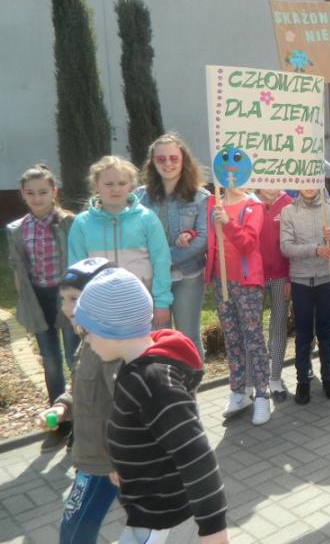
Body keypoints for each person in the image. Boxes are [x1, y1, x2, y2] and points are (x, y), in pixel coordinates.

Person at [73, 268, 228, 543]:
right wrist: (123, 465)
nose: (86, 339)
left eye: (88, 331)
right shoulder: (133, 368)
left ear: (114, 329)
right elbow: (139, 430)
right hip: (148, 513)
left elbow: (197, 458)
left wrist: (214, 532)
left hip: (166, 521)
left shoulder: (153, 382)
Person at [38, 258, 116, 543]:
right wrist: (63, 407)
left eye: (74, 299)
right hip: (88, 459)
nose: (64, 307)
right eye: (63, 299)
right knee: (72, 529)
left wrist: (121, 463)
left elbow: (131, 410)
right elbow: (82, 391)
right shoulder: (87, 342)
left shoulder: (111, 352)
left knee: (74, 534)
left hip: (105, 465)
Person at [7, 164, 78, 450]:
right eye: (31, 193)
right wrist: (24, 298)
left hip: (67, 299)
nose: (37, 198)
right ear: (23, 194)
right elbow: (17, 267)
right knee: (50, 361)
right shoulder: (17, 229)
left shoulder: (69, 222)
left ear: (54, 192)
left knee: (74, 358)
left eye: (43, 192)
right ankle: (58, 423)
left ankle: (81, 419)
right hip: (38, 300)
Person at [68, 156, 173, 326]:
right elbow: (76, 267)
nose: (115, 189)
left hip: (141, 303)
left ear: (131, 185)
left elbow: (161, 261)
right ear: (96, 185)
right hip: (99, 307)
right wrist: (78, 305)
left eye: (122, 183)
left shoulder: (147, 219)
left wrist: (161, 302)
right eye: (108, 184)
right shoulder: (82, 223)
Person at [135, 133, 209, 359]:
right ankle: (164, 380)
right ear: (152, 162)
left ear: (183, 160)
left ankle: (192, 381)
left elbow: (202, 239)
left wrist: (164, 258)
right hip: (151, 279)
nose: (168, 164)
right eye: (161, 159)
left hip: (187, 276)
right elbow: (133, 237)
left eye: (174, 158)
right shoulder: (139, 198)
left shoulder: (200, 197)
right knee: (157, 338)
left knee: (189, 337)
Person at [206, 186, 271, 425]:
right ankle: (239, 392)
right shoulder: (211, 203)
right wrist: (190, 235)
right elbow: (206, 236)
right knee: (232, 339)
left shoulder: (253, 205)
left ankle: (262, 394)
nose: (233, 174)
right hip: (221, 282)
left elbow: (248, 243)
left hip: (247, 283)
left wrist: (228, 222)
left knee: (253, 339)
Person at [279, 188, 330, 404]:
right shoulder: (289, 211)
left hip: (327, 278)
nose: (309, 186)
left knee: (325, 331)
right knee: (304, 333)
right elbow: (286, 247)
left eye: (313, 180)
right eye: (304, 181)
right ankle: (302, 381)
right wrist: (314, 249)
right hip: (301, 280)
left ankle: (328, 377)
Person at [255, 188, 293, 401]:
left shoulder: (287, 202)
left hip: (281, 275)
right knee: (253, 328)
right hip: (255, 277)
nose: (270, 186)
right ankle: (255, 379)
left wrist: (289, 277)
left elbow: (292, 240)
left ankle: (275, 377)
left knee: (278, 325)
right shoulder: (249, 202)